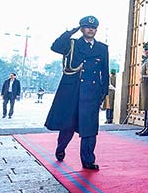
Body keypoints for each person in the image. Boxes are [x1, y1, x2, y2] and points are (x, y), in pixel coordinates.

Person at [45, 16, 109, 170]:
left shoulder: (102, 48)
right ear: (81, 29)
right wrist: (70, 32)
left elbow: (104, 72)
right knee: (68, 125)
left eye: (93, 27)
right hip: (72, 91)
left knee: (89, 128)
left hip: (91, 92)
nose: (90, 29)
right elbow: (55, 46)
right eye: (87, 27)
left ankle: (88, 160)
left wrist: (103, 92)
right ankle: (60, 149)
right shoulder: (72, 44)